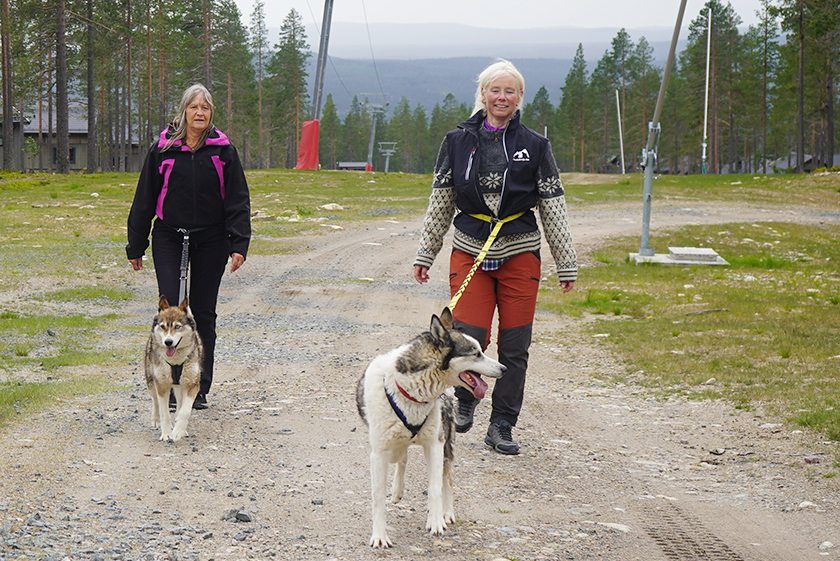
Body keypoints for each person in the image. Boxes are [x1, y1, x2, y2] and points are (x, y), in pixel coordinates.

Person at [413, 59, 576, 455]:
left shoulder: (536, 146)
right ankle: (467, 400)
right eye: (495, 90)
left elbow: (553, 205)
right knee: (470, 335)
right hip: (470, 247)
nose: (502, 97)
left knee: (515, 344)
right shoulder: (456, 141)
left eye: (510, 91)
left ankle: (502, 423)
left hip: (520, 249)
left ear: (520, 97)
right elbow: (441, 202)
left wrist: (565, 261)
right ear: (483, 95)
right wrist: (426, 252)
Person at [126, 83, 251, 410]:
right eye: (194, 107)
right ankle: (166, 385)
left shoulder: (223, 151)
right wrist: (136, 244)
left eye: (205, 108)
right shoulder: (163, 149)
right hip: (168, 235)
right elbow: (145, 198)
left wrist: (239, 242)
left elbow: (238, 199)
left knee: (203, 313)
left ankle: (197, 388)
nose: (199, 113)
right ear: (183, 111)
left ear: (211, 114)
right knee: (170, 313)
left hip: (212, 238)